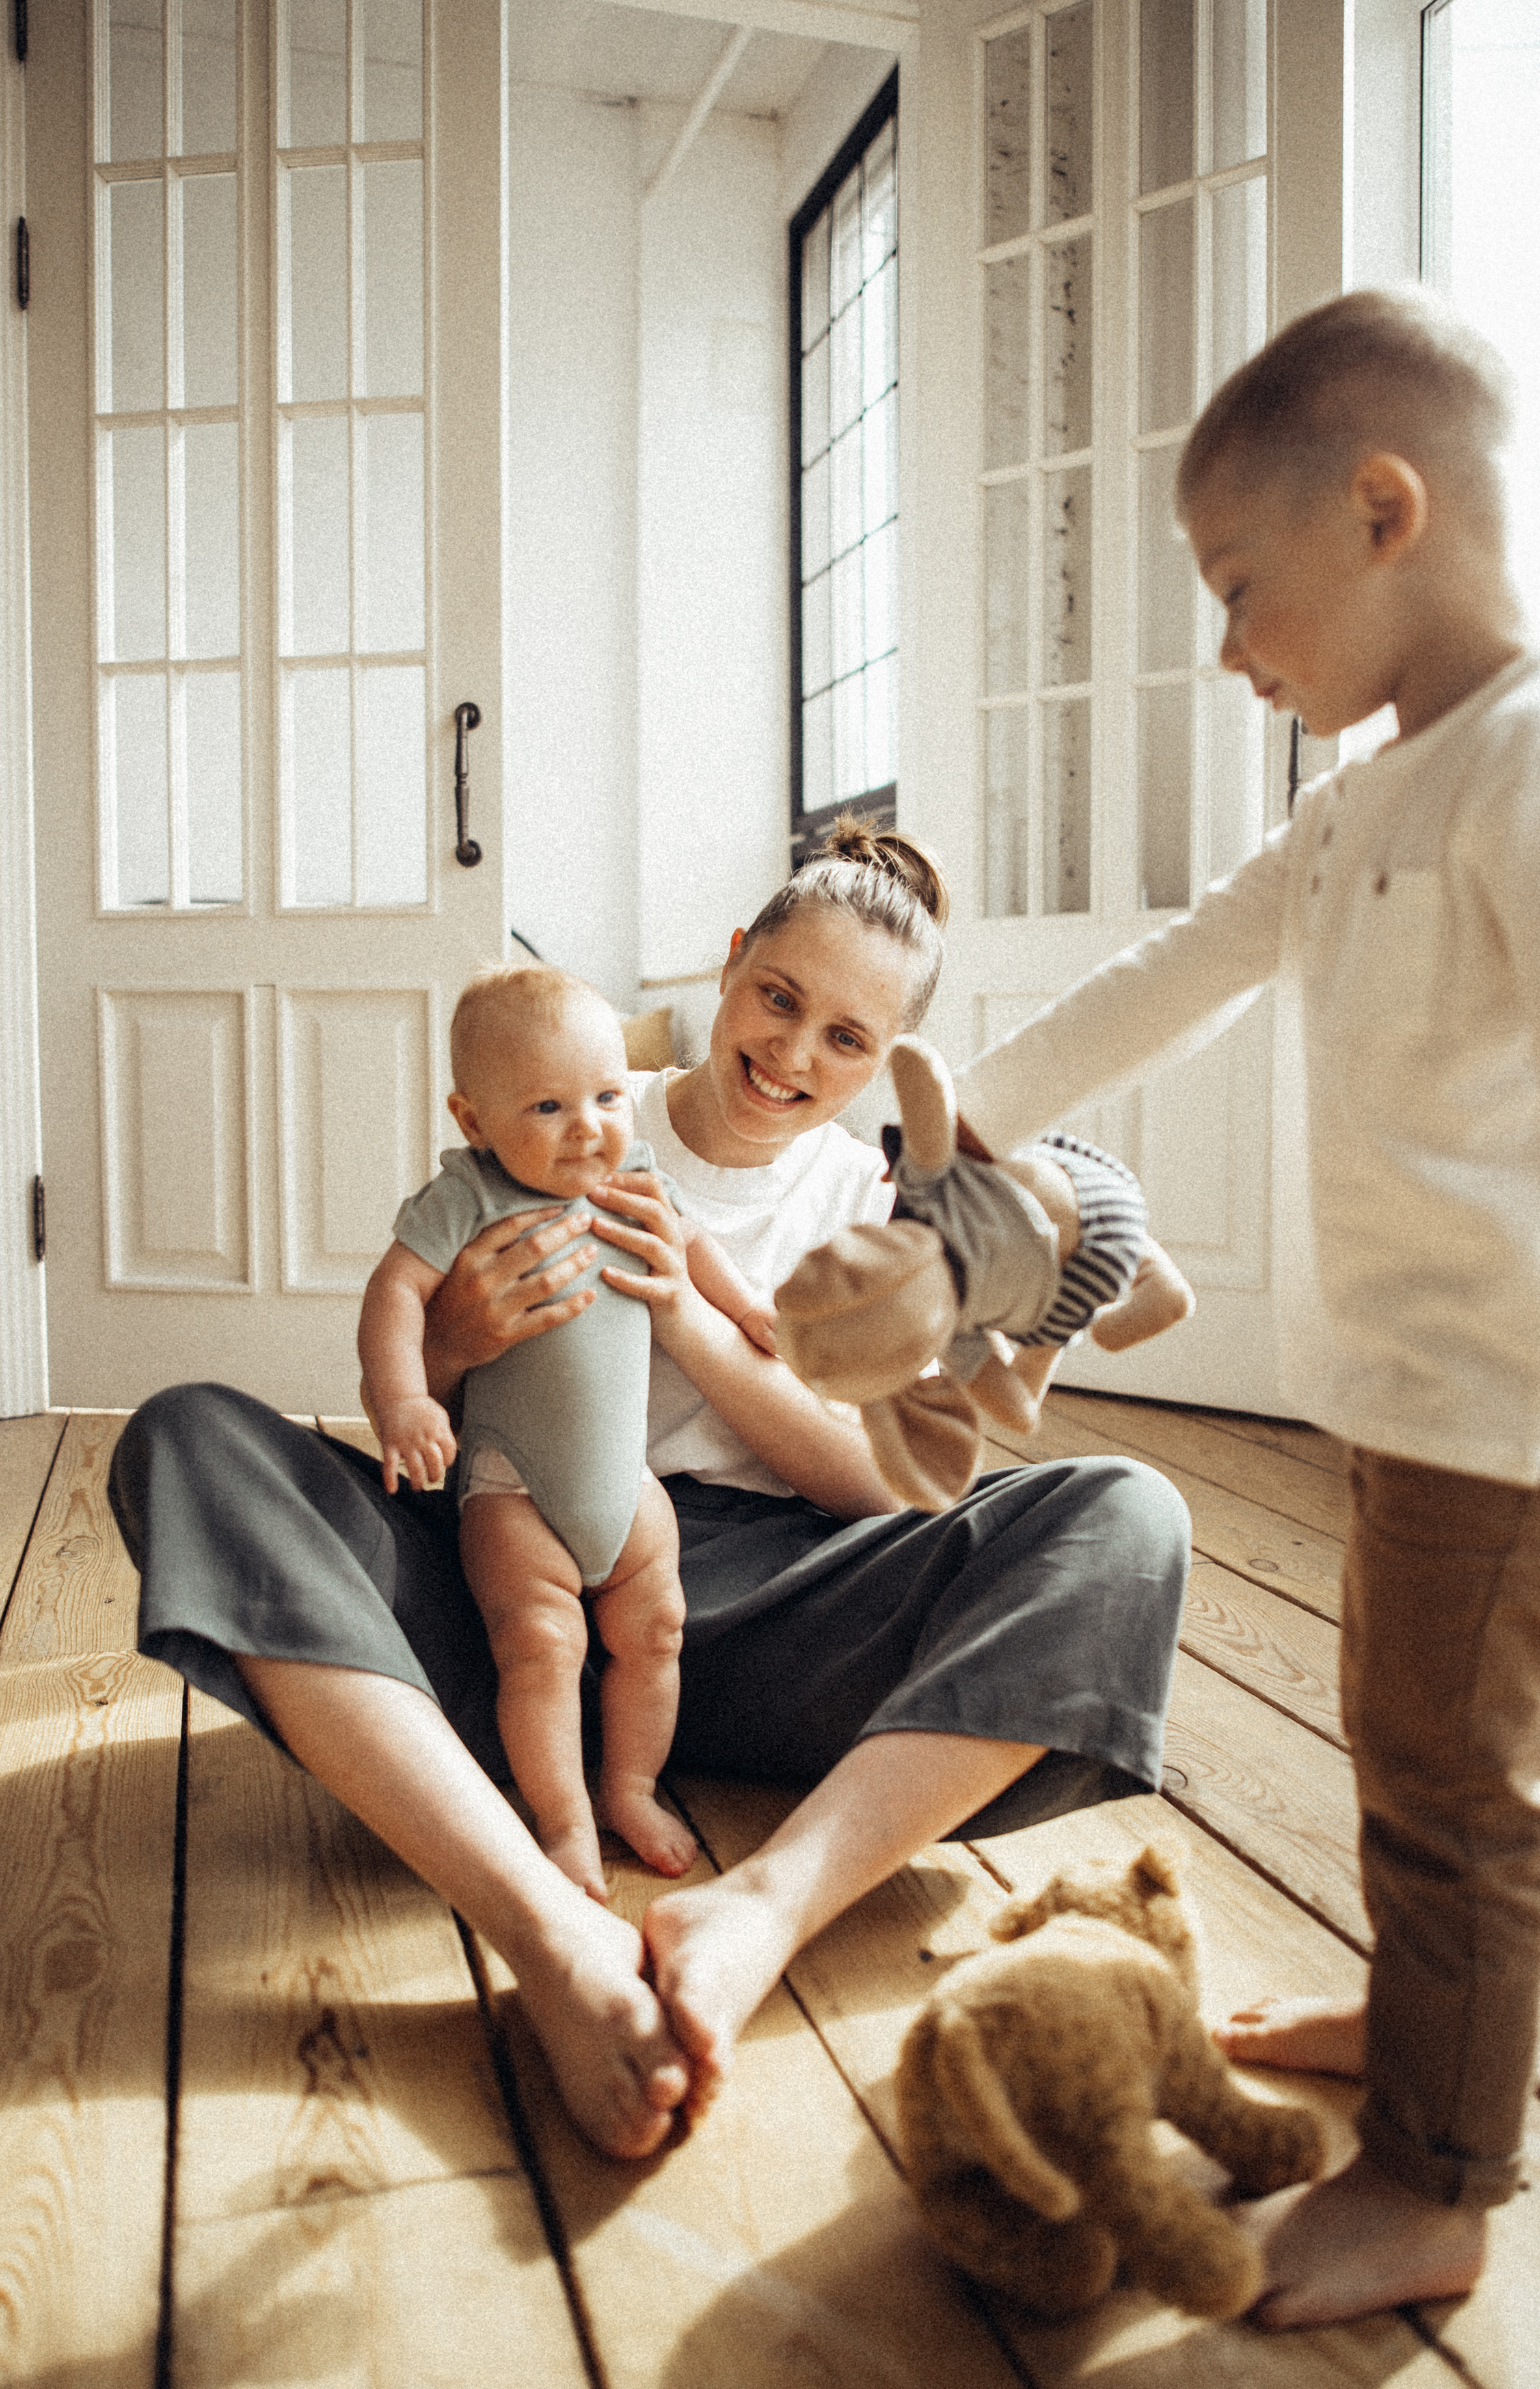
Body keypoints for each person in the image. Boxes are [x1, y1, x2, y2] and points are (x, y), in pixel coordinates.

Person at [107, 821, 1192, 2163]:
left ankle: (761, 1912)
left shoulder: (877, 1206)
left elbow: (880, 1483)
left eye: (847, 1041)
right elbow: (435, 1404)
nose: (793, 1055)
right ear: (731, 968)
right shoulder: (564, 1092)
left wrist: (689, 1322)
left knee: (1125, 1516)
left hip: (773, 1607)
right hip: (517, 1592)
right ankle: (548, 1924)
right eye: (778, 999)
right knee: (188, 1442)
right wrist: (449, 1347)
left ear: (887, 1065)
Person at [949, 290, 1539, 2329]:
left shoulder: (1527, 766)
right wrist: (959, 1113)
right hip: (1414, 1399)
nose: (1228, 648)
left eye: (1238, 586)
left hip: (1510, 1411)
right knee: (1436, 1763)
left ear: (1386, 510)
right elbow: (1177, 972)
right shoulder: (1364, 796)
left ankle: (1441, 2179)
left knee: (1447, 1781)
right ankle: (1434, 2021)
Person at [359, 964, 777, 1900]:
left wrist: (748, 1308)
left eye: (604, 1095)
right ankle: (564, 1823)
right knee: (542, 1648)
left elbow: (693, 1242)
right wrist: (405, 1403)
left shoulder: (633, 1173)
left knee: (657, 1628)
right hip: (515, 1491)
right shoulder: (469, 1193)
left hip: (629, 1488)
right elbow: (395, 1292)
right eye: (547, 1107)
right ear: (474, 1122)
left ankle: (629, 1787)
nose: (587, 1125)